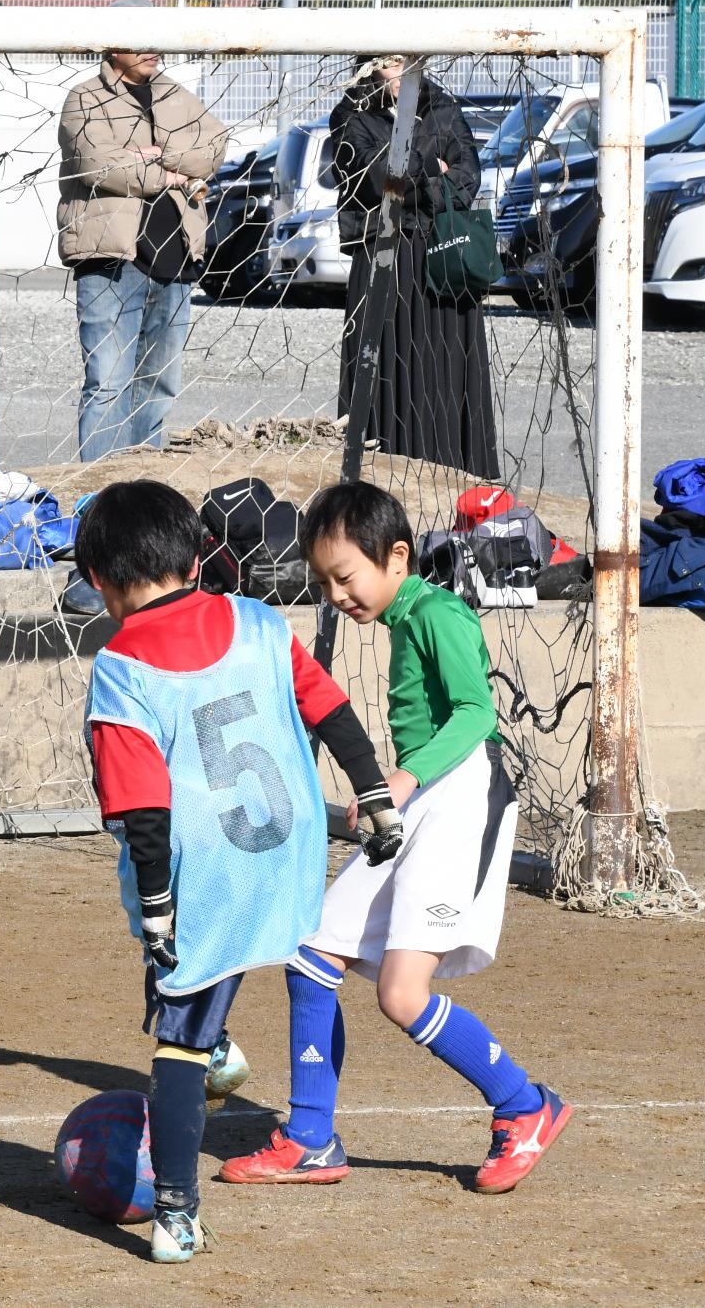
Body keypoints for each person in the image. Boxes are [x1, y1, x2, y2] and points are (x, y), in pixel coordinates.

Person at [78, 479, 401, 1263]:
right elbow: (328, 706)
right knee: (301, 960)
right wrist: (376, 795)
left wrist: (156, 900)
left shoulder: (119, 666)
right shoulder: (259, 621)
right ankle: (309, 1121)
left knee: (178, 1027)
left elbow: (142, 804)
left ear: (98, 583)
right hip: (288, 850)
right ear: (196, 558)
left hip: (200, 867)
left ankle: (177, 1214)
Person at [220, 482, 571, 1193]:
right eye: (323, 581)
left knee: (401, 994)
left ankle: (524, 1104)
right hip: (422, 803)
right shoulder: (405, 618)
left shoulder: (439, 612)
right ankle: (312, 1138)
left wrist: (403, 784)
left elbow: (476, 716)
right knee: (313, 953)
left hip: (460, 802)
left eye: (343, 575)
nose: (336, 594)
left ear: (396, 555)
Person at [332, 55, 501, 480]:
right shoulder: (352, 115)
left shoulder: (443, 109)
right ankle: (383, 467)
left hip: (443, 254)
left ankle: (455, 467)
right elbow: (379, 181)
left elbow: (466, 180)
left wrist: (416, 178)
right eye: (390, 64)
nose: (400, 74)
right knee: (387, 361)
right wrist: (431, 170)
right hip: (383, 254)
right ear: (370, 67)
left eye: (407, 63)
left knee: (445, 366)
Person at [58, 35, 227, 459]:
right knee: (109, 382)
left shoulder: (175, 93)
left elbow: (214, 149)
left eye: (159, 40)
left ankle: (145, 490)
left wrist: (153, 154)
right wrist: (171, 175)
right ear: (112, 48)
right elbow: (99, 166)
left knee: (159, 383)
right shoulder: (84, 98)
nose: (155, 49)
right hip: (112, 261)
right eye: (140, 41)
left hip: (176, 259)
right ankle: (101, 497)